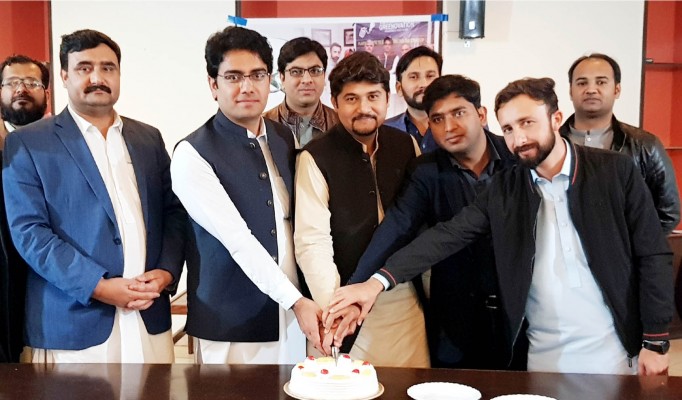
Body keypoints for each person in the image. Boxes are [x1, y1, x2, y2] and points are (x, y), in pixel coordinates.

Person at [327, 77, 673, 376]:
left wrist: (656, 341)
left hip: (615, 345)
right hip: (542, 348)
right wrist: (373, 283)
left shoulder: (615, 171)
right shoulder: (508, 186)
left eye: (527, 123)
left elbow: (653, 253)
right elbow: (446, 235)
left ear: (556, 118)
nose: (519, 138)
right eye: (508, 129)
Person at [2, 29, 187, 363]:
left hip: (148, 316)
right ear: (64, 76)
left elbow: (173, 213)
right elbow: (29, 233)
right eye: (84, 68)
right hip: (72, 323)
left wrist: (166, 272)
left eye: (107, 68)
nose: (97, 78)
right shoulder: (29, 143)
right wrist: (98, 286)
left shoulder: (148, 138)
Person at [171, 26, 322, 365]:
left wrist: (299, 300)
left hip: (290, 315)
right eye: (233, 77)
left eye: (257, 75)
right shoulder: (192, 153)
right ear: (214, 85)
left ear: (270, 80)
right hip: (230, 321)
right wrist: (296, 301)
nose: (247, 87)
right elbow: (237, 239)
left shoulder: (282, 138)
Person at [345, 74, 516, 369]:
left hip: (517, 311)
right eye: (437, 119)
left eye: (458, 113)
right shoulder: (425, 171)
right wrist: (358, 287)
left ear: (481, 114)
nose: (449, 127)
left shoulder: (517, 159)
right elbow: (397, 227)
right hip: (454, 319)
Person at [294, 51, 429, 367]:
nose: (364, 108)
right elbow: (312, 243)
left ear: (387, 99)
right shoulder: (315, 156)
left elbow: (421, 222)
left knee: (407, 385)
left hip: (403, 299)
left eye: (373, 97)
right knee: (346, 384)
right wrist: (338, 308)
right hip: (343, 300)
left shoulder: (406, 145)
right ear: (335, 101)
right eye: (351, 99)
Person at [560, 53, 680, 232]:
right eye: (582, 83)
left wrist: (632, 244)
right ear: (571, 91)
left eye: (601, 82)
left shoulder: (645, 145)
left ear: (617, 90)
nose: (591, 89)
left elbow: (668, 213)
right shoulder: (552, 144)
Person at [0, 54, 50, 362]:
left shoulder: (63, 144)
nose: (21, 89)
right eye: (12, 82)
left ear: (46, 92)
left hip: (49, 278)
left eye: (31, 82)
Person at [264, 37, 338, 146]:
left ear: (324, 76)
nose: (307, 80)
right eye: (296, 72)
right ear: (282, 78)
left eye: (315, 71)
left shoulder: (341, 124)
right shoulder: (262, 126)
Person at [384, 46, 442, 152]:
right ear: (399, 88)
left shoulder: (456, 127)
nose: (423, 84)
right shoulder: (383, 131)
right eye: (414, 77)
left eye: (430, 76)